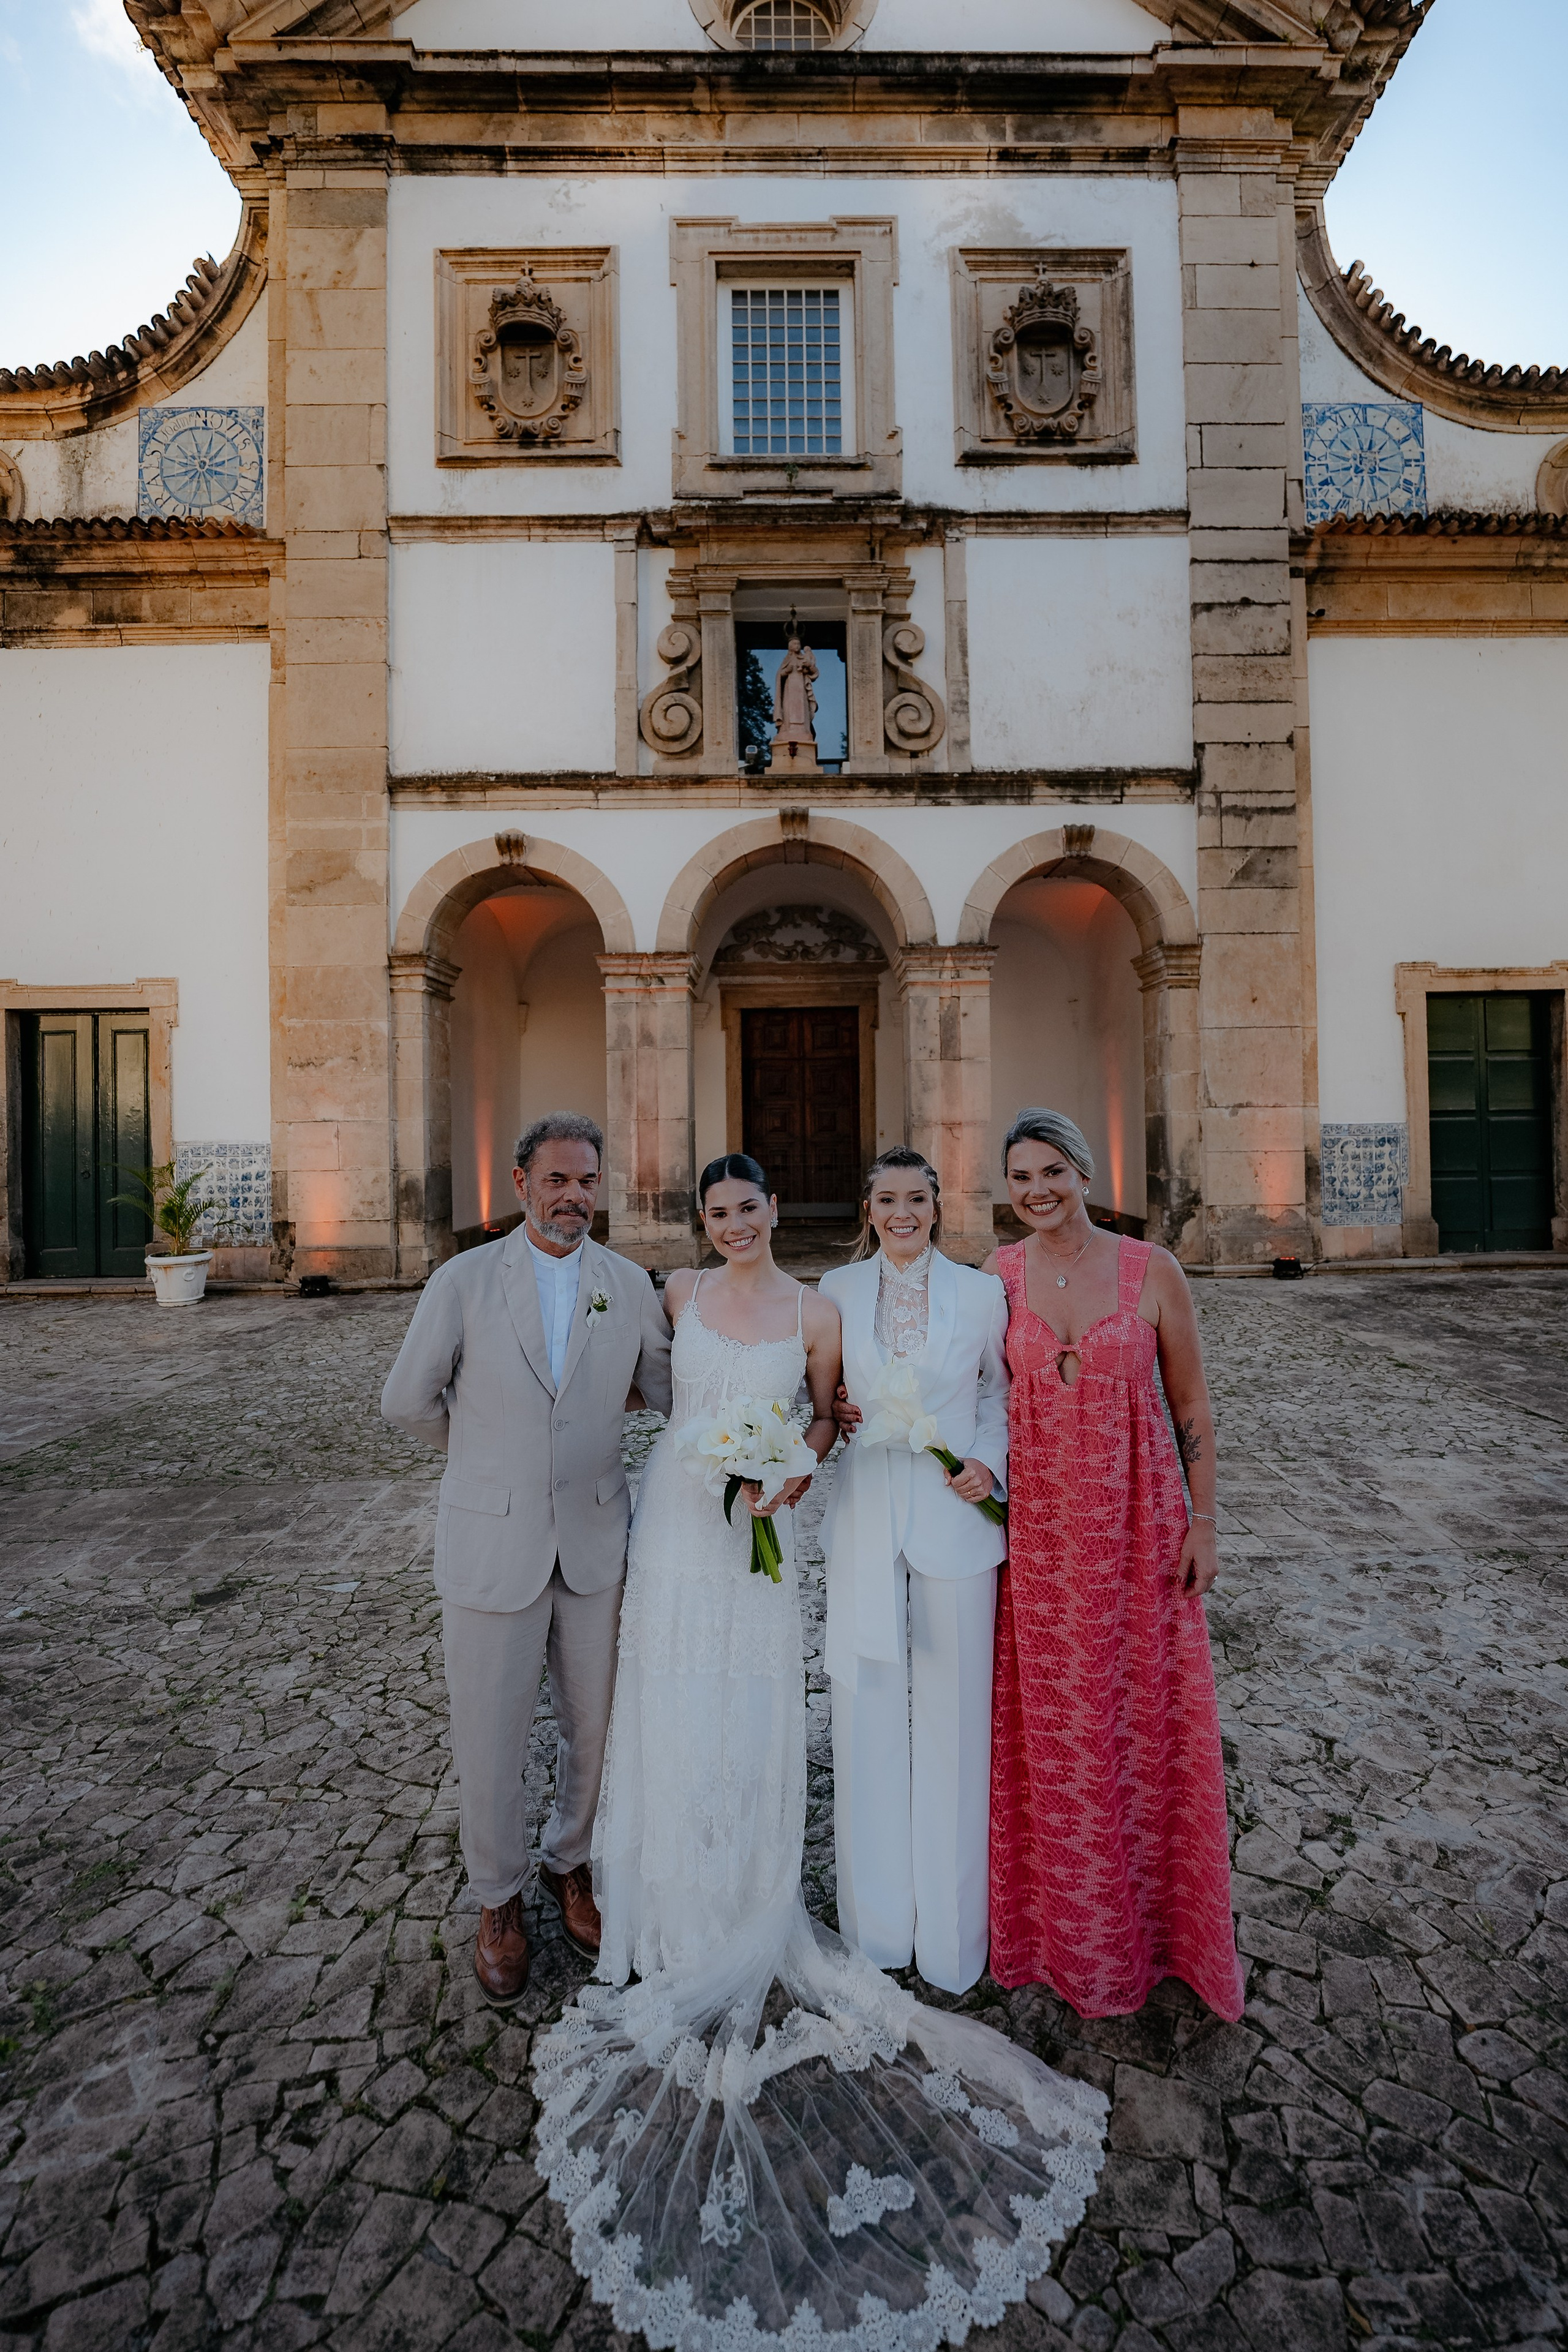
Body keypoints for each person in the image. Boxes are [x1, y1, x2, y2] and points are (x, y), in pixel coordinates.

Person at [529, 1154, 1110, 2352]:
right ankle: (663, 1905)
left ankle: (749, 1899)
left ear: (778, 1213)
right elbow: (638, 1394)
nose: (734, 1221)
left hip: (761, 1546)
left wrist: (781, 1477)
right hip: (676, 1536)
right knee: (667, 1711)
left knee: (747, 1715)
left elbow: (824, 1426)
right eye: (717, 1210)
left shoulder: (819, 1309)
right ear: (700, 1224)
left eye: (750, 1206)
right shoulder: (676, 1297)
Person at [380, 1112, 673, 2005]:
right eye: (557, 1180)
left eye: (588, 1181)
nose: (574, 1197)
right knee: (491, 1730)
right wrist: (486, 1458)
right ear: (521, 1184)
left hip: (594, 1539)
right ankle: (497, 1899)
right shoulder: (464, 1281)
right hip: (489, 1539)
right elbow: (407, 1401)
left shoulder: (626, 1285)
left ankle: (569, 1865)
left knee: (596, 1726)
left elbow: (669, 1391)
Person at [983, 1107, 1243, 2021]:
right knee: (1052, 1737)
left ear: (1084, 1174)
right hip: (1040, 1542)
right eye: (1021, 1178)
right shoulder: (998, 1276)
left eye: (1051, 1172)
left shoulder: (1153, 1270)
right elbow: (960, 1387)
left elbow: (1192, 1404)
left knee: (1142, 1727)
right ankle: (1059, 1935)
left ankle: (1159, 1934)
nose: (1037, 1191)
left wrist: (1204, 1523)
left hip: (1139, 1532)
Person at [819, 1147, 1009, 1995]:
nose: (903, 1214)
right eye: (887, 1199)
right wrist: (832, 1417)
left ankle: (954, 1937)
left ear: (938, 1207)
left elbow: (1001, 1396)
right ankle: (879, 1928)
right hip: (865, 1515)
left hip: (955, 1522)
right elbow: (818, 1402)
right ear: (868, 1210)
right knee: (863, 1715)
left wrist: (990, 1466)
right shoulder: (836, 1293)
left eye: (918, 1199)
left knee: (956, 1722)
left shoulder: (982, 1292)